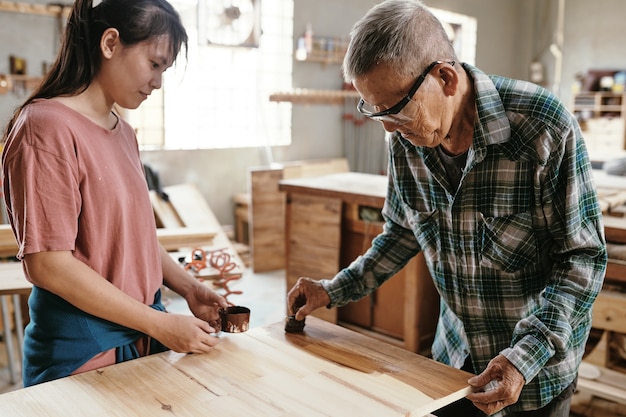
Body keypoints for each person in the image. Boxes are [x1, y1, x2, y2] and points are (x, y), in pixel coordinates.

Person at [286, 1, 607, 416]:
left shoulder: (543, 126)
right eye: (374, 110)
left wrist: (524, 357)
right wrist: (333, 291)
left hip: (535, 369)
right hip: (454, 362)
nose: (387, 127)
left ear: (446, 78)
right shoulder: (406, 138)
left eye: (396, 109)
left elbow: (582, 259)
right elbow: (401, 234)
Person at [1, 0, 228, 387]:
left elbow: (133, 238)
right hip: (83, 355)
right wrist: (160, 323)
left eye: (165, 70)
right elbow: (49, 265)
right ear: (109, 44)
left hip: (139, 339)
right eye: (154, 64)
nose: (158, 82)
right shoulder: (45, 128)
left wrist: (188, 288)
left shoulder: (123, 131)